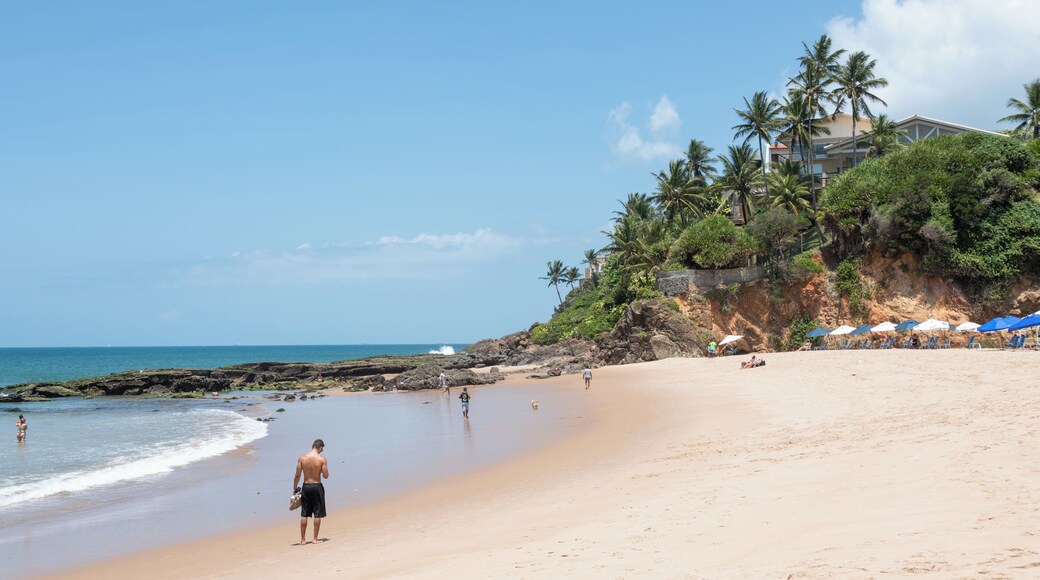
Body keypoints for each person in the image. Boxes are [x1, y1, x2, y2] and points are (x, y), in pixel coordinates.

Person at [293, 438, 329, 545]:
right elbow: (326, 475)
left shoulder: (302, 458)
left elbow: (297, 475)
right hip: (317, 486)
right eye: (322, 449)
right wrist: (324, 473)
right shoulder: (322, 459)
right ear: (320, 447)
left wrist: (295, 487)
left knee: (304, 513)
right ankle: (314, 539)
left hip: (306, 486)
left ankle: (303, 540)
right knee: (317, 513)